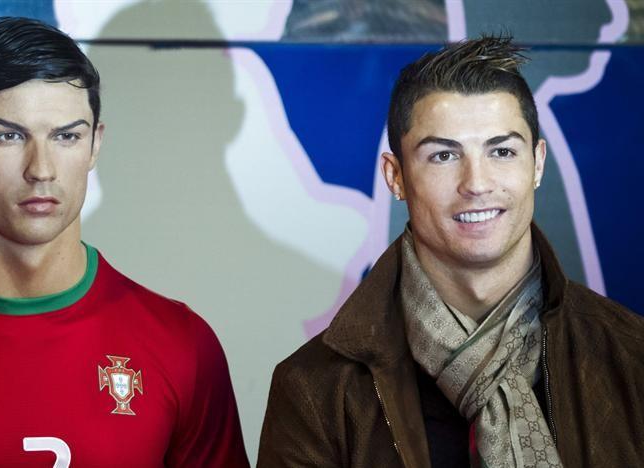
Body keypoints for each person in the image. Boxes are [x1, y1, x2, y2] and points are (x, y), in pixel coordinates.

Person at [0, 17, 248, 467]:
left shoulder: (182, 347)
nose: (41, 169)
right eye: (9, 136)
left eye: (66, 136)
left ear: (95, 144)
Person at [258, 36, 643, 467]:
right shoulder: (315, 389)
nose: (476, 183)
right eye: (443, 156)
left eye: (502, 151)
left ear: (536, 164)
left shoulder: (632, 356)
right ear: (396, 177)